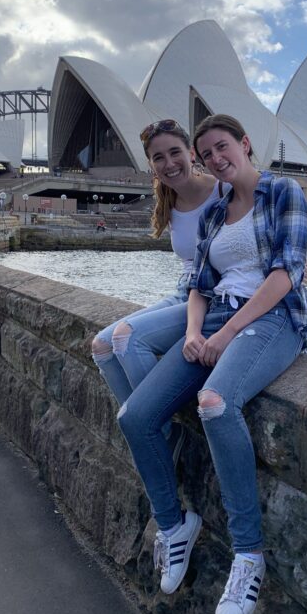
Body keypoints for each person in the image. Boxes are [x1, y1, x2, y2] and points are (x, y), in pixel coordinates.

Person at [117, 115, 307, 614]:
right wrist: (193, 332)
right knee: (136, 417)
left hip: (273, 319)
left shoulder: (283, 192)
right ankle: (173, 526)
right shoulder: (215, 212)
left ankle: (248, 554)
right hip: (217, 317)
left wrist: (225, 337)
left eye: (222, 147)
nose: (215, 158)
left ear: (245, 145)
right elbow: (200, 284)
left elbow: (284, 275)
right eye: (207, 154)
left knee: (215, 403)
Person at [91, 118, 223, 438]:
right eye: (158, 158)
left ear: (192, 153)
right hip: (184, 293)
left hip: (214, 295)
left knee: (126, 338)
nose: (169, 163)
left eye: (175, 152)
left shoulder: (223, 189)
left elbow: (264, 221)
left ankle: (158, 424)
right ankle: (157, 431)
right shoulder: (168, 200)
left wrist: (297, 261)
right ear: (151, 165)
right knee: (101, 346)